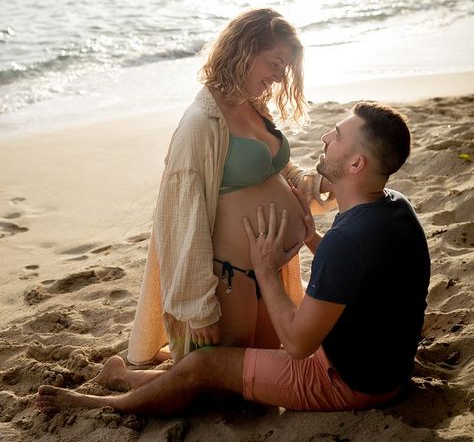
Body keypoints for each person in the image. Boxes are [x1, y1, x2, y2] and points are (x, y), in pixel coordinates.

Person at [35, 101, 431, 415]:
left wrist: (265, 270)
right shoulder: (395, 207)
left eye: (339, 135)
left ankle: (106, 404)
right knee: (224, 365)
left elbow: (296, 344)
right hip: (383, 367)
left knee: (204, 365)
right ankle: (126, 376)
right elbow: (361, 272)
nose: (327, 134)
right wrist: (312, 239)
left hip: (343, 380)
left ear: (356, 164)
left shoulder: (348, 240)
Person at [125, 8, 333, 365]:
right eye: (275, 62)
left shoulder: (254, 107)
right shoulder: (201, 122)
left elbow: (280, 173)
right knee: (224, 382)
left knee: (266, 366)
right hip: (230, 276)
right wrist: (197, 307)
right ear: (245, 50)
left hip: (270, 268)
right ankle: (126, 377)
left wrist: (320, 184)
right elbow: (180, 219)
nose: (279, 77)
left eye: (285, 67)